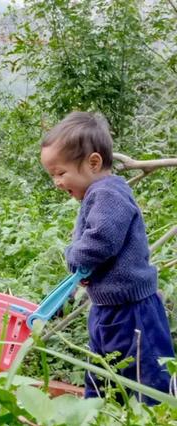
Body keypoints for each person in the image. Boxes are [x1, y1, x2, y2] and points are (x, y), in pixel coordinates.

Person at [40, 111, 174, 404]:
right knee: (102, 369)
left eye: (60, 173)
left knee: (149, 374)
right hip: (107, 308)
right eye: (52, 175)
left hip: (133, 310)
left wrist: (73, 256)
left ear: (93, 162)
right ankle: (97, 411)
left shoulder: (109, 193)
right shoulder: (96, 193)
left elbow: (101, 241)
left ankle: (157, 416)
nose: (57, 182)